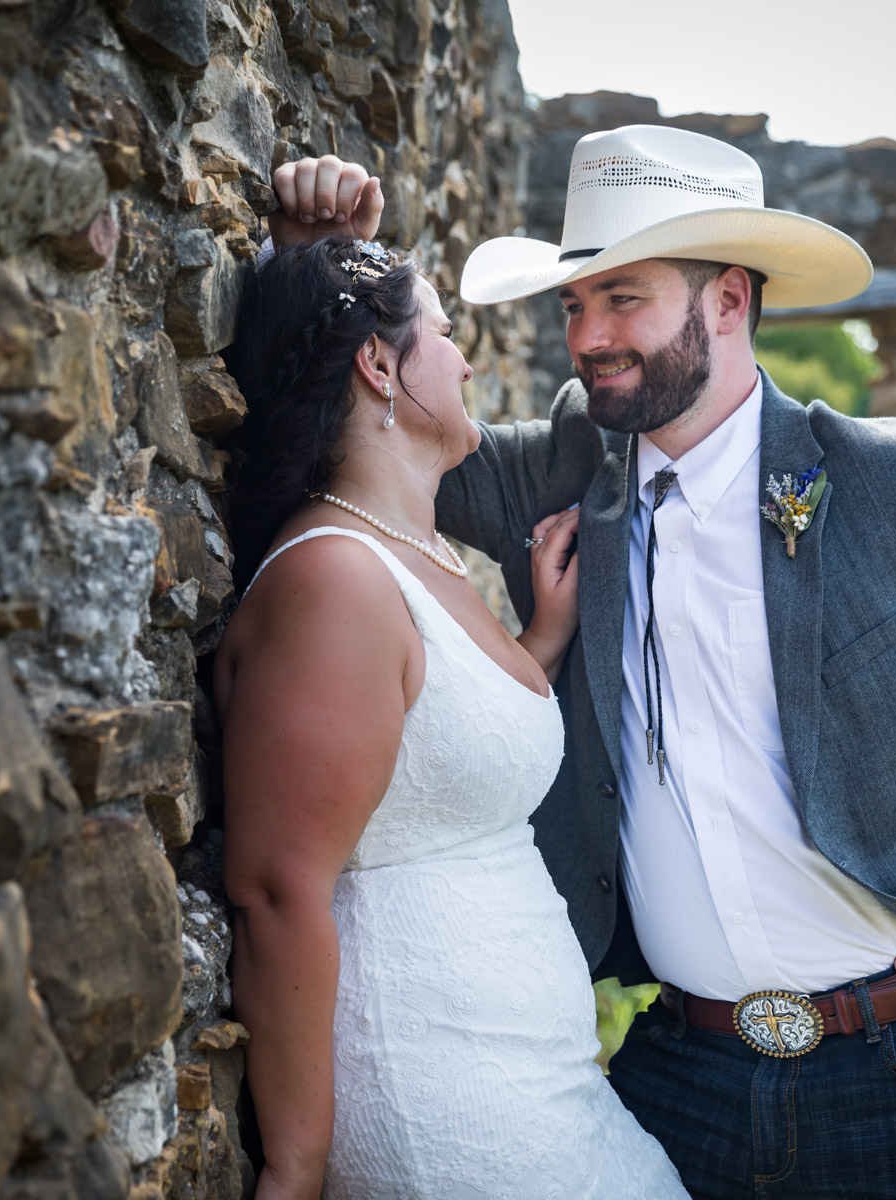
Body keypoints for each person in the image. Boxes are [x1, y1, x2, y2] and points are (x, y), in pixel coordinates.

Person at [266, 124, 896, 1199]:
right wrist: (326, 275)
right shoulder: (566, 466)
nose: (590, 337)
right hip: (686, 1076)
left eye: (626, 299)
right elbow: (368, 444)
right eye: (574, 304)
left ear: (729, 303)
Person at [213, 229, 690, 1199]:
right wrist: (296, 1169)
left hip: (539, 1088)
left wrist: (540, 642)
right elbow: (276, 888)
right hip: (445, 1105)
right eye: (441, 332)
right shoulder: (333, 578)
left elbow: (434, 748)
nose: (468, 357)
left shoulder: (414, 548)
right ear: (380, 364)